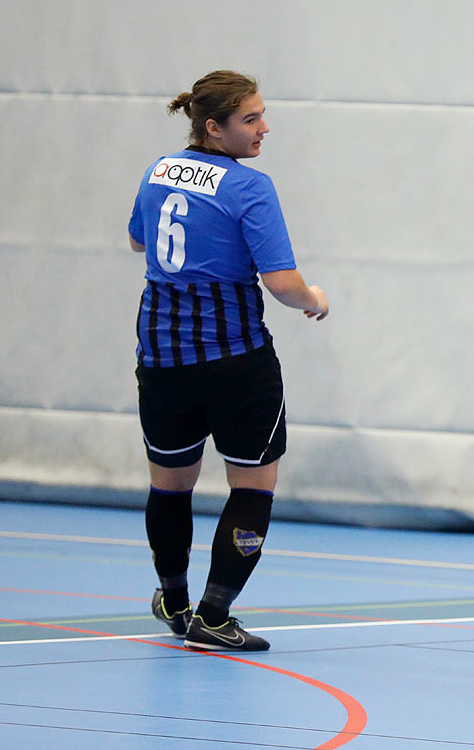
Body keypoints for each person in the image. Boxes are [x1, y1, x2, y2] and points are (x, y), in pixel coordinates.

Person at [128, 70, 328, 652]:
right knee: (253, 485)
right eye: (251, 119)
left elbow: (140, 241)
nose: (264, 127)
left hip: (161, 356)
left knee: (170, 484)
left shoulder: (158, 171)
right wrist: (314, 300)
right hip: (234, 360)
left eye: (263, 114)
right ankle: (213, 615)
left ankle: (173, 595)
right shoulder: (250, 187)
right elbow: (283, 283)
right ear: (213, 127)